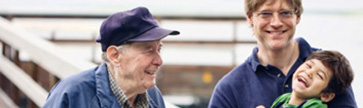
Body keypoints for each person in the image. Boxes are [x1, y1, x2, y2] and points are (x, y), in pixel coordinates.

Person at [208, 0, 357, 107]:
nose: (276, 22)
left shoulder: (330, 70)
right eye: (265, 13)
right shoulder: (229, 89)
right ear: (250, 18)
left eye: (285, 13)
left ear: (297, 17)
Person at [43, 7, 180, 108]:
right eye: (148, 50)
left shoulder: (153, 95)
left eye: (159, 49)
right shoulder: (72, 93)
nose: (159, 61)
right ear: (115, 56)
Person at [269, 50, 354, 108]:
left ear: (326, 95)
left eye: (319, 75)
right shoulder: (283, 99)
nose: (309, 73)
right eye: (308, 66)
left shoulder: (315, 105)